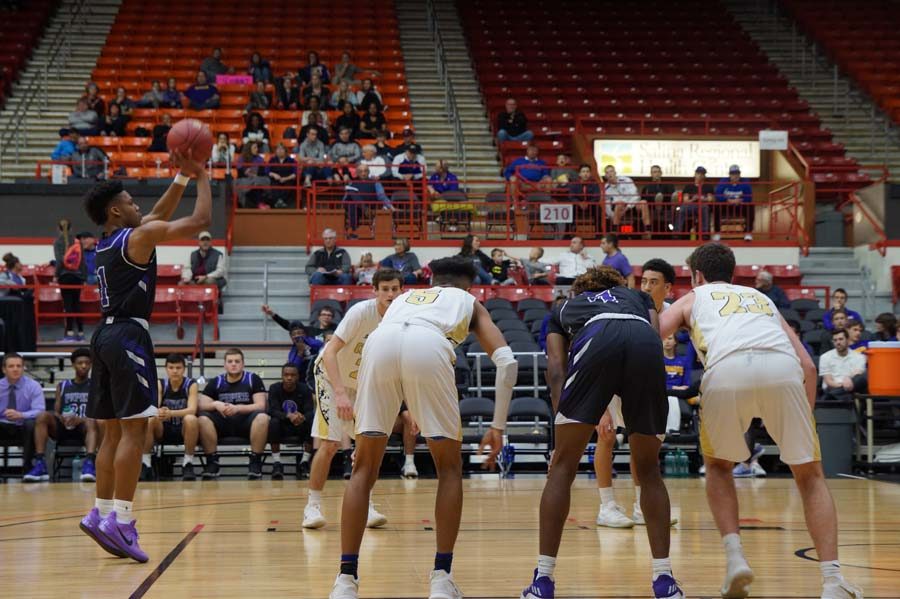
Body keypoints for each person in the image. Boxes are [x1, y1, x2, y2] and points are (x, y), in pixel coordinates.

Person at [660, 242, 863, 599]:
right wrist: (804, 418)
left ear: (698, 276)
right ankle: (832, 582)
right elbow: (809, 367)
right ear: (734, 274)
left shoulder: (693, 297)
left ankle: (736, 558)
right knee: (811, 474)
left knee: (719, 467)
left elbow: (654, 334)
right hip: (782, 369)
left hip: (727, 369)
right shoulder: (761, 299)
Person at [329, 257, 517, 599]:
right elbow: (507, 362)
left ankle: (345, 581)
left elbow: (400, 343)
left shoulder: (404, 298)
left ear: (433, 280)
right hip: (429, 346)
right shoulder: (467, 301)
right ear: (468, 286)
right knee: (448, 468)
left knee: (363, 468)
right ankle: (441, 578)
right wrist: (498, 426)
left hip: (379, 344)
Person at [78, 155, 211, 564]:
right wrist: (204, 175)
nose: (140, 206)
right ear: (116, 209)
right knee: (135, 432)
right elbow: (198, 221)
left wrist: (180, 176)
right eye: (131, 202)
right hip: (129, 336)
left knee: (113, 433)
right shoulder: (136, 238)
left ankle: (100, 513)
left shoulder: (109, 242)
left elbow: (156, 213)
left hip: (102, 335)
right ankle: (121, 519)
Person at [521, 266, 683, 599]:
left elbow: (555, 366)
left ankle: (543, 581)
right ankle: (665, 580)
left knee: (563, 468)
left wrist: (563, 422)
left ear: (581, 290)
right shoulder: (638, 297)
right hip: (643, 342)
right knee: (650, 471)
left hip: (596, 339)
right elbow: (654, 341)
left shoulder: (566, 307)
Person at [305, 269, 404, 531]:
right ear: (375, 290)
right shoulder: (361, 312)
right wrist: (338, 393)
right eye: (385, 289)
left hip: (362, 384)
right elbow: (330, 353)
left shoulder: (401, 320)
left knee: (367, 447)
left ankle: (365, 504)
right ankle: (312, 506)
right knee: (330, 443)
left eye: (395, 288)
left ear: (401, 290)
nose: (390, 294)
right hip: (330, 377)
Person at [592, 258, 679, 529]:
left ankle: (642, 507)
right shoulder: (630, 305)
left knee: (643, 443)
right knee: (606, 435)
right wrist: (603, 405)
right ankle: (606, 506)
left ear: (668, 288)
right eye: (644, 281)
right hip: (613, 379)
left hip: (646, 383)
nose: (647, 287)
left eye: (654, 282)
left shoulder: (676, 313)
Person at [25, 348, 99, 483]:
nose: (83, 366)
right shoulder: (63, 385)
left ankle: (89, 464)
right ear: (73, 365)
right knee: (43, 416)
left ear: (91, 364)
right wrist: (61, 418)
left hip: (85, 429)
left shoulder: (95, 386)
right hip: (63, 428)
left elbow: (99, 411)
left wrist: (80, 419)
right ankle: (40, 463)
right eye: (80, 363)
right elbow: (57, 410)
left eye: (87, 363)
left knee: (92, 420)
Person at [197, 348, 270, 479]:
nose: (234, 364)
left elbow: (261, 405)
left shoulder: (253, 379)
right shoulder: (217, 381)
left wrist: (237, 408)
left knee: (262, 417)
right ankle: (212, 462)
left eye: (237, 361)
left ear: (243, 363)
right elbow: (201, 404)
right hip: (222, 425)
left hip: (246, 424)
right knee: (202, 419)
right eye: (230, 361)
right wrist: (215, 404)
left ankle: (255, 462)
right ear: (224, 364)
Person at [142, 353, 199, 481]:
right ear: (166, 368)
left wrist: (171, 413)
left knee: (191, 418)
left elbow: (192, 409)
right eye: (171, 367)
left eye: (178, 368)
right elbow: (153, 408)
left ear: (184, 369)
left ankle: (188, 462)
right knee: (150, 418)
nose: (175, 371)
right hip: (163, 429)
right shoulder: (160, 384)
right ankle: (145, 463)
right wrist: (160, 411)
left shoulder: (191, 384)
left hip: (184, 429)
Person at [1, 353, 47, 479]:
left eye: (19, 366)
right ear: (4, 369)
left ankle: (29, 468)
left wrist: (21, 415)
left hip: (24, 426)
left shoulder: (33, 386)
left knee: (31, 424)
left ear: (23, 368)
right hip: (2, 424)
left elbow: (40, 410)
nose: (15, 369)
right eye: (11, 366)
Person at [267, 363, 314, 480]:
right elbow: (272, 410)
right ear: (282, 376)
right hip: (282, 425)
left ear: (298, 376)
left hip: (300, 425)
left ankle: (304, 462)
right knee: (273, 422)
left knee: (312, 421)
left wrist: (301, 417)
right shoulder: (274, 388)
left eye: (292, 375)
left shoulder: (305, 389)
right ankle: (277, 463)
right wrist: (289, 416)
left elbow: (309, 411)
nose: (289, 378)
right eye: (286, 375)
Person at [54, 230, 96, 341]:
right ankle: (79, 333)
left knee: (71, 306)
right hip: (80, 279)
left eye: (85, 238)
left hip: (83, 279)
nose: (83, 241)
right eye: (81, 238)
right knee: (74, 305)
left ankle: (70, 333)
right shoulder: (78, 251)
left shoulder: (100, 250)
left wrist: (56, 275)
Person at [819, 329, 867, 402]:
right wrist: (842, 386)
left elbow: (857, 378)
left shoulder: (859, 357)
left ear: (848, 340)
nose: (838, 342)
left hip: (851, 389)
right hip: (832, 388)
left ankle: (831, 397)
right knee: (847, 396)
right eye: (835, 340)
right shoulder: (825, 357)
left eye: (841, 339)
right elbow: (828, 381)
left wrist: (847, 383)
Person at [605, 165, 650, 233]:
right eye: (607, 173)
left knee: (643, 202)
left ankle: (647, 230)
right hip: (618, 208)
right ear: (606, 176)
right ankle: (615, 231)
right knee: (619, 204)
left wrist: (628, 207)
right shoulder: (606, 188)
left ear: (615, 172)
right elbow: (607, 204)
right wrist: (612, 215)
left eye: (611, 171)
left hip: (632, 205)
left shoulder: (626, 180)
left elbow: (636, 196)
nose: (610, 174)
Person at [715, 165, 754, 241]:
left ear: (740, 174)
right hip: (726, 206)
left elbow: (749, 196)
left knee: (750, 207)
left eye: (737, 173)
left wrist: (740, 201)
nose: (735, 176)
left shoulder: (745, 181)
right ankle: (717, 233)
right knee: (716, 207)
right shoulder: (723, 181)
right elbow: (718, 195)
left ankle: (748, 232)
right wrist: (728, 200)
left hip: (740, 206)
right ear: (729, 175)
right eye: (733, 174)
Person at [182, 231, 227, 296]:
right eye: (203, 240)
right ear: (199, 242)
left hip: (210, 279)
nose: (205, 242)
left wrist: (206, 277)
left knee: (209, 281)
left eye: (207, 240)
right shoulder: (193, 254)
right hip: (196, 280)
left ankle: (209, 302)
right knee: (181, 283)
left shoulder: (218, 254)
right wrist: (187, 277)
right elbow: (187, 268)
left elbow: (220, 271)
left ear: (211, 242)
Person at [675, 166, 715, 235]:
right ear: (695, 174)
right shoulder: (689, 186)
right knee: (682, 209)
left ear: (704, 176)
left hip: (702, 205)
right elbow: (685, 200)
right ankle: (677, 232)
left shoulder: (708, 187)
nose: (700, 175)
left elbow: (710, 199)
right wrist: (694, 199)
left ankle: (704, 232)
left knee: (705, 208)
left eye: (702, 174)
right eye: (698, 173)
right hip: (691, 205)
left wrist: (702, 199)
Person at [641, 165, 676, 232]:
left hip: (667, 207)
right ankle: (658, 206)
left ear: (661, 173)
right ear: (651, 174)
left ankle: (673, 209)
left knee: (674, 195)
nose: (656, 174)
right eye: (654, 172)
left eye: (658, 172)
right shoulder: (647, 187)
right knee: (658, 196)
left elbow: (671, 197)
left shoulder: (668, 185)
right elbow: (644, 199)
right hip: (652, 207)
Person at [266, 143, 298, 208]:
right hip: (275, 179)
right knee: (273, 184)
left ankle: (281, 202)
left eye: (282, 149)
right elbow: (267, 170)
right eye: (278, 149)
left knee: (289, 184)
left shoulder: (291, 161)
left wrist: (286, 178)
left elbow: (295, 173)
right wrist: (273, 174)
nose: (280, 150)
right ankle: (279, 202)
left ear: (285, 151)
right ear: (276, 151)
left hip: (288, 179)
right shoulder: (272, 160)